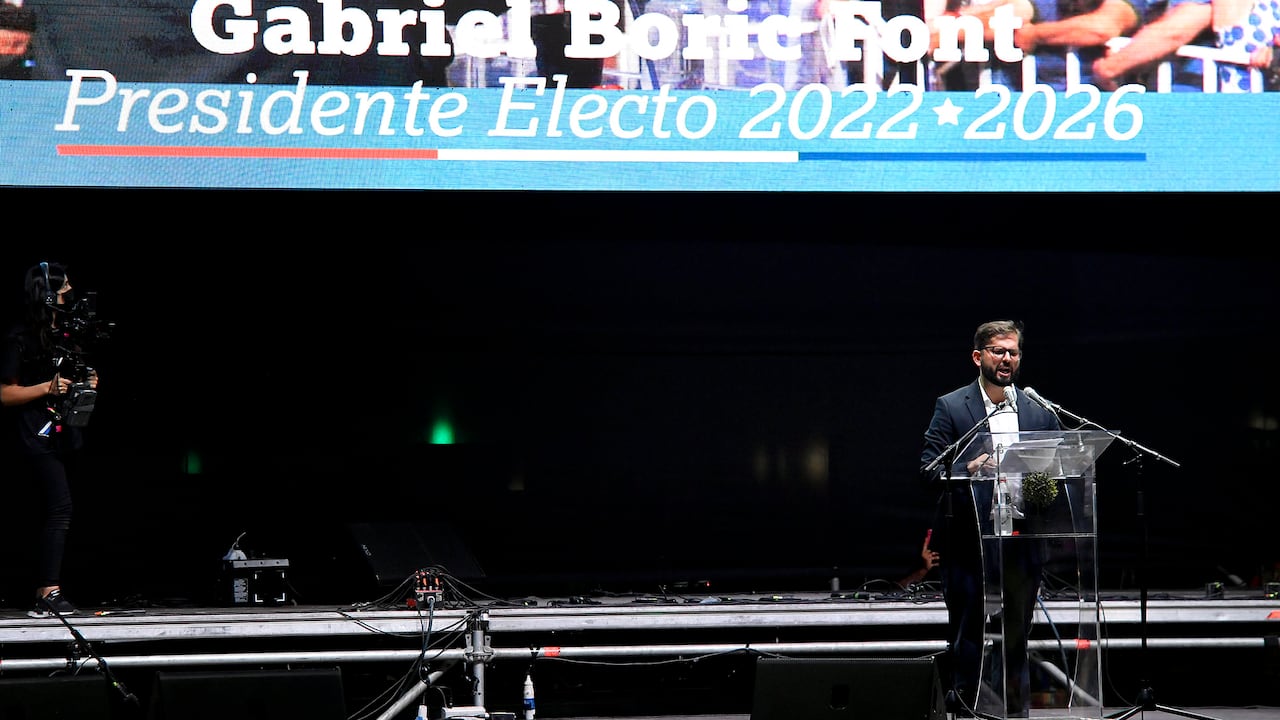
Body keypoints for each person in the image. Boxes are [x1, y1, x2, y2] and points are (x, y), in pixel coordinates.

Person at [918, 319, 1061, 718]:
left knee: (1017, 635)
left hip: (1022, 541)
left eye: (1013, 352)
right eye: (999, 351)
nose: (1007, 359)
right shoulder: (951, 406)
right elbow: (929, 470)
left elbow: (1056, 472)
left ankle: (1014, 712)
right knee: (968, 634)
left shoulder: (1040, 410)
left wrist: (1042, 486)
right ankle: (964, 708)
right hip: (968, 542)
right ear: (978, 356)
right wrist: (970, 466)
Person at [0, 261, 100, 618]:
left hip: (63, 433)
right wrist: (47, 387)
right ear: (47, 294)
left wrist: (86, 384)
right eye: (64, 287)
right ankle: (48, 591)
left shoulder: (67, 335)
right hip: (33, 433)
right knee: (60, 507)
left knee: (55, 510)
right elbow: (5, 394)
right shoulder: (20, 337)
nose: (70, 292)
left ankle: (48, 586)